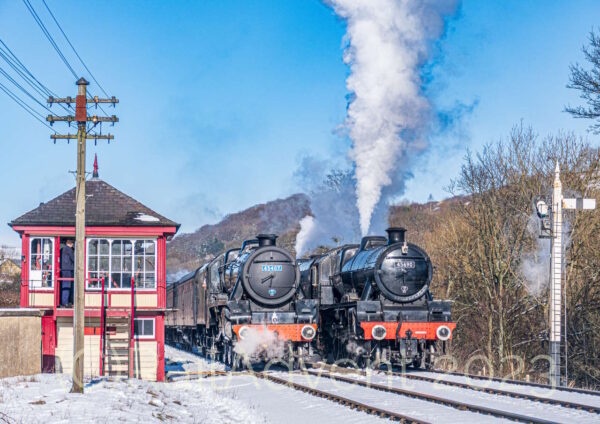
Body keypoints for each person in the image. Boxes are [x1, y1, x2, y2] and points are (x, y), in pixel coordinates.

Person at [60, 239, 75, 307]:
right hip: (68, 270)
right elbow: (74, 259)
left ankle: (64, 302)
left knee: (65, 286)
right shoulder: (69, 250)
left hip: (64, 270)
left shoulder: (62, 249)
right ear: (71, 243)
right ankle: (65, 302)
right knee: (67, 286)